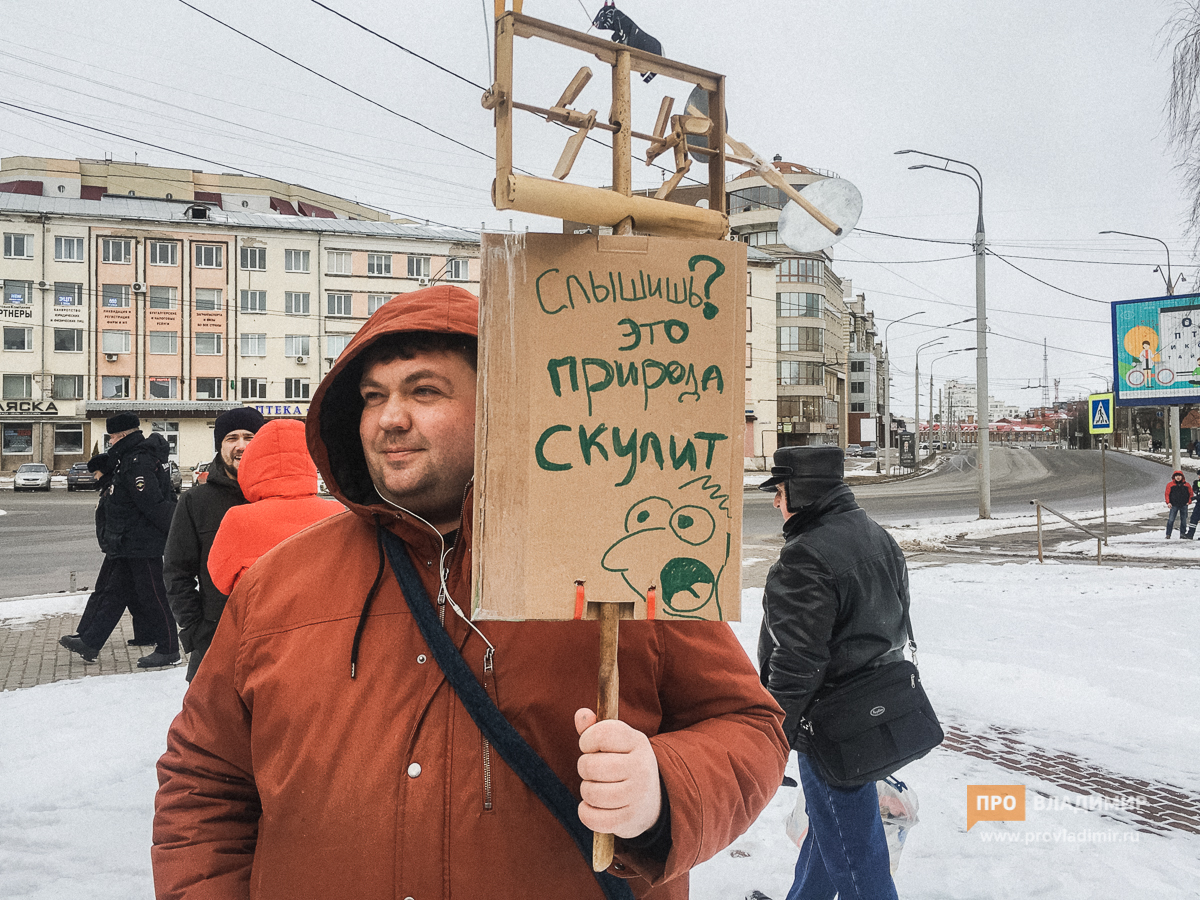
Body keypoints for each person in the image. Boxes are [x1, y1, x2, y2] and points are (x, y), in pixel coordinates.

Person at [153, 285, 789, 900]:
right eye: (373, 397)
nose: (389, 418)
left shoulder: (619, 557)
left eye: (424, 390)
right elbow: (203, 782)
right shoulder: (278, 581)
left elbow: (749, 726)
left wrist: (664, 791)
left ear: (502, 405)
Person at [756, 446, 909, 900]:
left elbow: (796, 664)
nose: (775, 503)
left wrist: (771, 736)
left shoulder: (805, 557)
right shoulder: (876, 535)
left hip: (830, 724)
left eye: (779, 491)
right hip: (872, 711)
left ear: (801, 492)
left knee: (857, 856)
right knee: (832, 830)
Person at [60, 414, 180, 668]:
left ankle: (169, 649)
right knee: (113, 593)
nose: (110, 442)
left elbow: (152, 504)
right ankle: (90, 642)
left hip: (142, 543)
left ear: (123, 435)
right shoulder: (127, 459)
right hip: (128, 542)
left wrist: (176, 534)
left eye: (112, 437)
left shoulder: (138, 461)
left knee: (154, 596)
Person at [163, 406, 264, 681]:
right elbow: (177, 571)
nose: (241, 446)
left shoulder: (277, 498)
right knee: (207, 722)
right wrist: (196, 629)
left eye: (249, 437)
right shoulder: (196, 502)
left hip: (272, 642)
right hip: (214, 640)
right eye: (232, 438)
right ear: (220, 446)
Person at [206, 418, 340, 596]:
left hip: (261, 618)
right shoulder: (337, 514)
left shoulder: (239, 518)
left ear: (253, 461)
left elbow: (221, 579)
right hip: (326, 618)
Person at [60, 453, 155, 653]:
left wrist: (113, 544)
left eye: (96, 472)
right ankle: (146, 634)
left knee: (112, 594)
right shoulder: (110, 489)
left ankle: (89, 641)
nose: (94, 477)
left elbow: (117, 520)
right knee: (133, 595)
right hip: (118, 548)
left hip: (122, 548)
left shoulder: (116, 490)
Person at [1165, 469, 1193, 539]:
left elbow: (1191, 494)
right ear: (1174, 477)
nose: (1178, 477)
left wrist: (1189, 501)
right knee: (1171, 520)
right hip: (1174, 505)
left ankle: (1182, 534)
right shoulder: (1170, 485)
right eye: (1176, 476)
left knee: (1183, 520)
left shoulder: (1187, 485)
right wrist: (1168, 502)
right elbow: (1167, 494)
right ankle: (1168, 534)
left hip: (1184, 504)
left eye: (1179, 476)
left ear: (1182, 477)